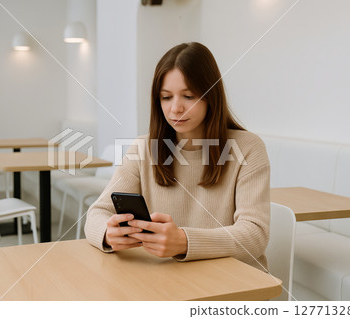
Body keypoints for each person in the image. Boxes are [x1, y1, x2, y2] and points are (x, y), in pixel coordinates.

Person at [84, 42, 270, 271]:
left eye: (188, 96)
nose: (175, 109)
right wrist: (108, 233)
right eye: (166, 97)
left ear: (211, 96)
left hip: (233, 283)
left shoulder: (248, 148)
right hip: (169, 280)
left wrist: (183, 241)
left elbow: (255, 235)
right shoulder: (144, 148)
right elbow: (97, 213)